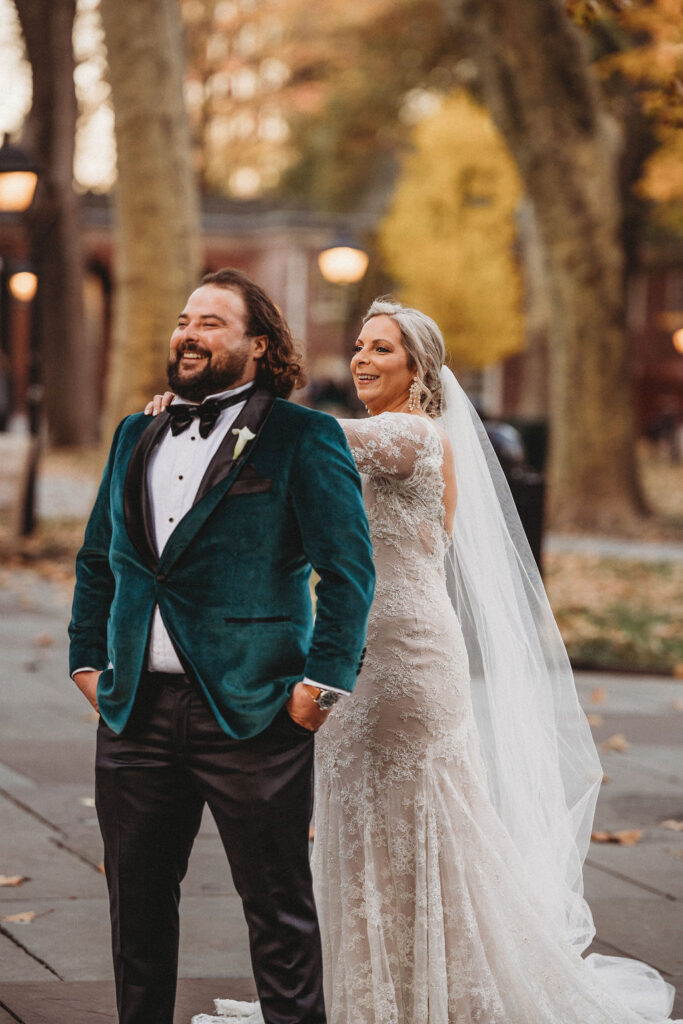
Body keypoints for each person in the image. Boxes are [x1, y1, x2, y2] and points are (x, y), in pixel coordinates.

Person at [152, 299, 680, 1024]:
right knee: (362, 818)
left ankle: (427, 994)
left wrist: (208, 412)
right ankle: (368, 988)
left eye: (382, 350)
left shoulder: (406, 434)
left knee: (413, 822)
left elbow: (300, 441)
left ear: (417, 369)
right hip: (355, 650)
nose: (364, 359)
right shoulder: (397, 435)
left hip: (403, 657)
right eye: (360, 347)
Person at [68, 267, 375, 1024]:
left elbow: (348, 571)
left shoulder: (303, 436)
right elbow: (99, 557)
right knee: (134, 911)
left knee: (277, 912)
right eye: (183, 320)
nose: (188, 333)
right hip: (133, 712)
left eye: (210, 322)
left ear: (257, 344)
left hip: (254, 710)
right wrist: (87, 661)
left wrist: (320, 688)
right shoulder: (135, 432)